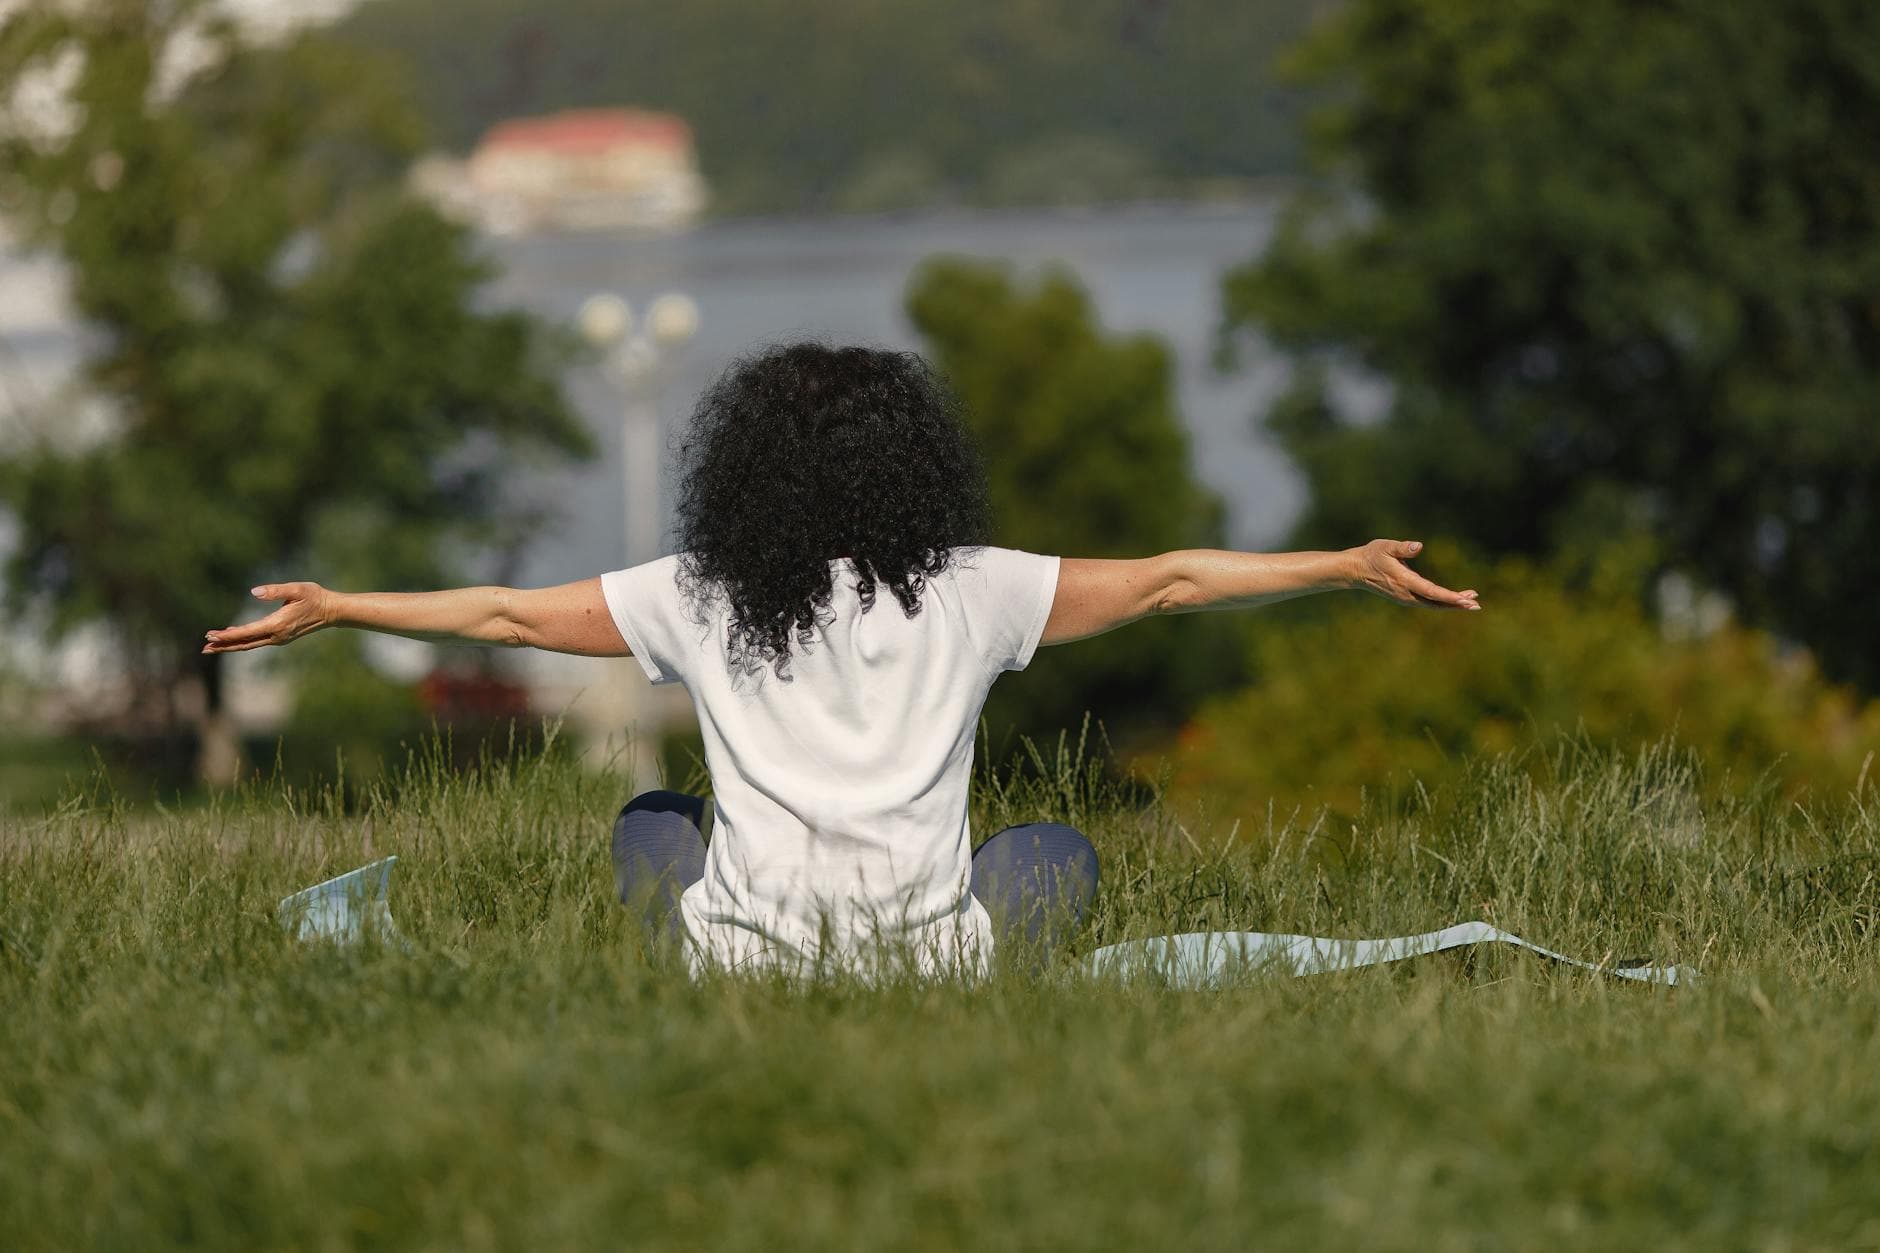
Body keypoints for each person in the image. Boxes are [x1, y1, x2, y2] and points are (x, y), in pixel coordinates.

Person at [204, 343, 1479, 976]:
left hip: (741, 961)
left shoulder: (697, 594)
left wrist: (341, 606)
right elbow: (1170, 579)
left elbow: (505, 617)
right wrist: (1339, 565)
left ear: (743, 470)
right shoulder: (976, 590)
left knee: (655, 815)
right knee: (1056, 855)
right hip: (934, 964)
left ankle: (704, 957)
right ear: (912, 464)